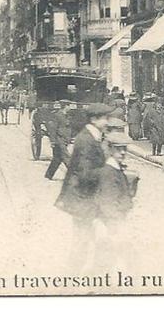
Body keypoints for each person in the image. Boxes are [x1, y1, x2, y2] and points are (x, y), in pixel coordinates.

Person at [55, 103, 111, 271]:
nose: (107, 122)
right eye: (105, 118)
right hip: (82, 199)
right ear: (94, 119)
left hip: (85, 197)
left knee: (87, 237)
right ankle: (73, 276)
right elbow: (85, 173)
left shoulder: (90, 136)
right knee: (84, 238)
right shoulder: (87, 140)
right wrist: (108, 173)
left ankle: (78, 272)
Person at [93, 131, 138, 271]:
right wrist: (115, 223)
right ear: (111, 149)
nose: (123, 152)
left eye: (124, 149)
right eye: (119, 149)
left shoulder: (115, 169)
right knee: (114, 262)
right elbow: (107, 202)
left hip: (115, 221)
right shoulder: (109, 172)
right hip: (111, 223)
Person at [44, 101, 70, 180]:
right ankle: (76, 177)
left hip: (63, 140)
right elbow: (53, 129)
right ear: (65, 106)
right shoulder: (57, 116)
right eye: (69, 105)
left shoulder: (66, 116)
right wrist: (52, 141)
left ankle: (48, 175)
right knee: (67, 158)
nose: (70, 107)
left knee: (57, 159)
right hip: (59, 140)